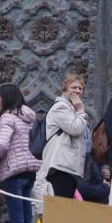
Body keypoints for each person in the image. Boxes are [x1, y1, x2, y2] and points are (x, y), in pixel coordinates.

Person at [0, 83, 41, 223]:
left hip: (13, 172)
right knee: (26, 214)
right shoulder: (29, 118)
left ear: (6, 98)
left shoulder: (7, 118)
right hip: (30, 172)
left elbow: (3, 144)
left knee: (16, 216)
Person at [33, 74, 90, 202]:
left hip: (69, 167)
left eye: (80, 88)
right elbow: (75, 129)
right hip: (61, 166)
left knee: (65, 207)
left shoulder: (72, 109)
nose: (77, 91)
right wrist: (81, 110)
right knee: (61, 206)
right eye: (73, 87)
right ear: (64, 90)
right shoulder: (61, 107)